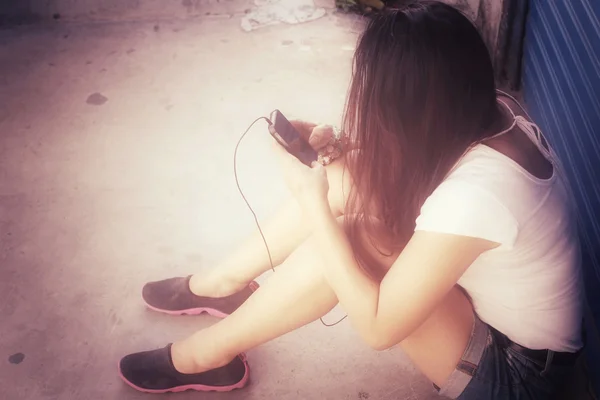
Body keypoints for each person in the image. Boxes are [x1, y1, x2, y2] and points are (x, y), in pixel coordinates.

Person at [118, 1, 583, 399]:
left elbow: (379, 327)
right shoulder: (492, 110)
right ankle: (223, 284)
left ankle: (205, 356)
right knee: (349, 186)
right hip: (499, 322)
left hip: (521, 377)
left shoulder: (479, 194)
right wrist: (336, 150)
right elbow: (406, 172)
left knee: (349, 244)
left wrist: (312, 202)